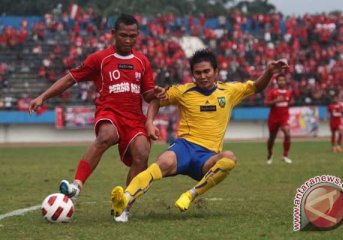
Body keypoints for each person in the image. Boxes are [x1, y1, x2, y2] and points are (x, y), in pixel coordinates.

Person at [110, 49, 289, 222]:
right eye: (198, 73)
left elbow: (257, 87)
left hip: (207, 157)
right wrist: (149, 122)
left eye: (206, 71)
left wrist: (269, 72)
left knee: (229, 158)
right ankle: (124, 202)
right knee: (161, 163)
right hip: (184, 148)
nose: (203, 76)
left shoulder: (229, 91)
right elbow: (157, 99)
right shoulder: (183, 91)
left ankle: (191, 194)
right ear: (192, 74)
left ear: (216, 71)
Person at [28, 14, 164, 221]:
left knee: (142, 153)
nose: (128, 40)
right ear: (113, 34)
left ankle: (124, 206)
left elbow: (147, 95)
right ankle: (76, 186)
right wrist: (43, 96)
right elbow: (70, 79)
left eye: (133, 36)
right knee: (106, 135)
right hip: (109, 112)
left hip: (134, 119)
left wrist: (157, 93)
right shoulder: (99, 59)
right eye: (123, 35)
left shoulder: (142, 61)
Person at [264, 74, 293, 165]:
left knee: (287, 134)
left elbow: (290, 102)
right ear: (277, 82)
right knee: (272, 138)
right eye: (280, 80)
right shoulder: (273, 92)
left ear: (285, 81)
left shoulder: (288, 92)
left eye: (283, 80)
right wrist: (276, 101)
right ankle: (270, 154)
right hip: (273, 118)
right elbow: (266, 103)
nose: (282, 82)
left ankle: (285, 155)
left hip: (284, 118)